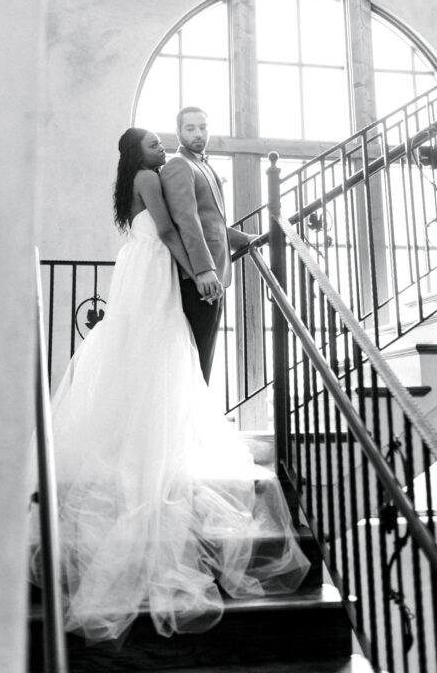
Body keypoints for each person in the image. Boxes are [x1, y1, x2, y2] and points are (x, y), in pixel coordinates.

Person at [29, 127, 308, 643]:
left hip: (137, 268)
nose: (163, 149)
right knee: (161, 347)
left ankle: (136, 435)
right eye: (155, 144)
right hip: (156, 267)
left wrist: (225, 246)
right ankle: (152, 443)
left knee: (146, 352)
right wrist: (198, 272)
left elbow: (189, 223)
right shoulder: (149, 177)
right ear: (140, 152)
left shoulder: (130, 181)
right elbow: (168, 230)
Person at [160, 107, 255, 383]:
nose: (198, 133)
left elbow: (211, 222)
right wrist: (202, 270)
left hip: (215, 276)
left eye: (202, 127)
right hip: (199, 278)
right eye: (190, 128)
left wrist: (246, 239)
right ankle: (191, 424)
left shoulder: (204, 166)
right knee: (196, 359)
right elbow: (186, 221)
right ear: (178, 132)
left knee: (204, 357)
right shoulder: (179, 165)